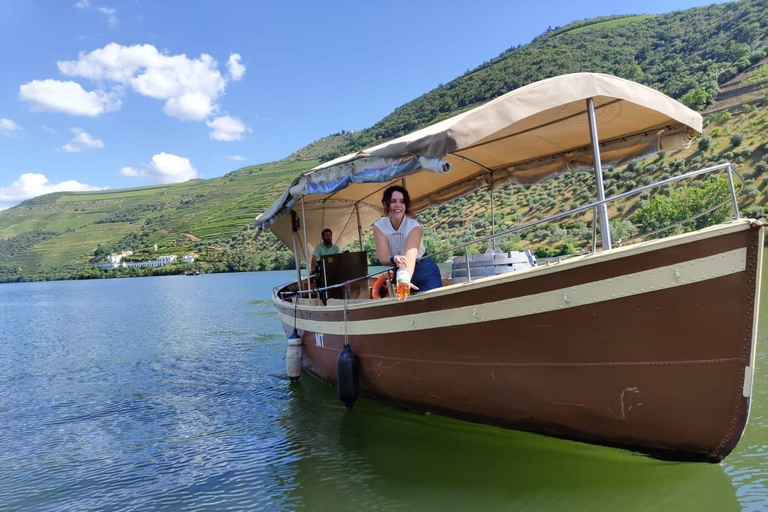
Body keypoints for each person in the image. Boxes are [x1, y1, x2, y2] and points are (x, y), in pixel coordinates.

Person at [373, 185, 442, 296]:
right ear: (386, 204)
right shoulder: (379, 226)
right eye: (393, 201)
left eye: (402, 201)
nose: (398, 205)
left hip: (424, 271)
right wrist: (394, 258)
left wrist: (404, 282)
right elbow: (383, 257)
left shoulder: (414, 226)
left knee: (433, 306)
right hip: (400, 271)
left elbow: (410, 256)